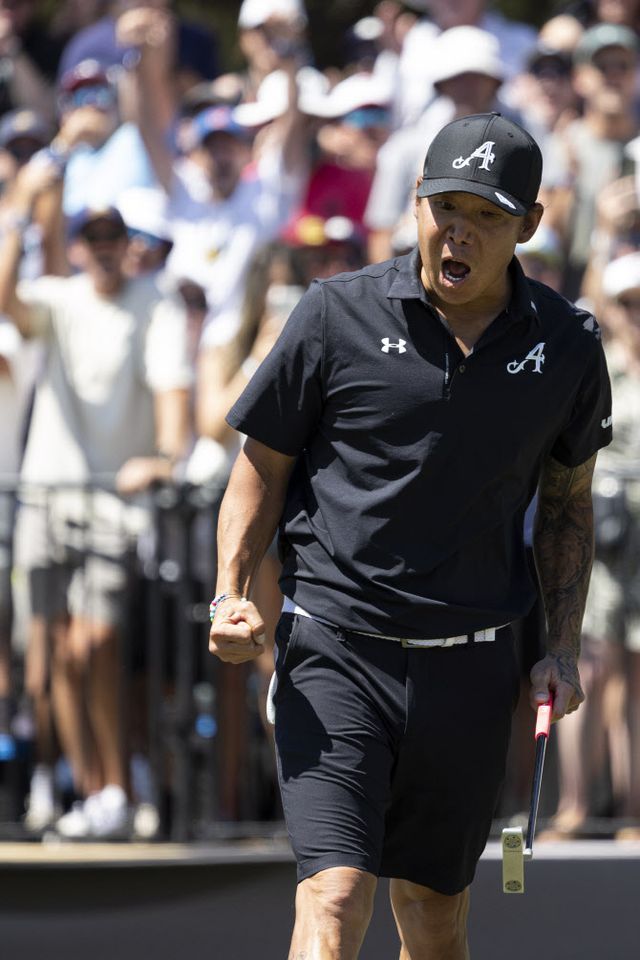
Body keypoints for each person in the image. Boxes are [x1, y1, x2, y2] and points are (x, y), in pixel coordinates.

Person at [208, 112, 612, 958]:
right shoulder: (333, 313)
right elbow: (261, 467)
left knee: (433, 920)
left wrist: (562, 649)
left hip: (471, 664)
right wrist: (231, 594)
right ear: (416, 201)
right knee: (333, 896)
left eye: (487, 216)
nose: (458, 231)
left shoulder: (570, 343)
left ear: (530, 226)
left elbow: (568, 504)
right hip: (334, 649)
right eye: (445, 206)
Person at [0, 156, 191, 839]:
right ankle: (92, 793)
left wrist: (163, 458)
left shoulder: (157, 302)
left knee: (96, 642)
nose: (105, 247)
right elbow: (4, 297)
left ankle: (116, 783)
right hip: (46, 502)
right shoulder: (58, 298)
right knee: (52, 655)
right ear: (79, 245)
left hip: (112, 507)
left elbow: (173, 399)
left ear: (128, 243)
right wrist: (21, 207)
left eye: (115, 236)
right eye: (93, 236)